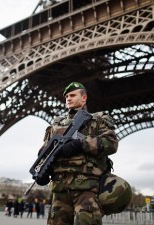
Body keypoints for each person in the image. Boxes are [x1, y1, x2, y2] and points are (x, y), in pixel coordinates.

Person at [36, 82, 118, 225]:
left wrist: (80, 144)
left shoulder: (98, 120)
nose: (68, 98)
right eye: (67, 96)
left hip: (86, 187)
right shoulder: (56, 124)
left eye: (73, 95)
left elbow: (111, 143)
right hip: (60, 188)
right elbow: (44, 150)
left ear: (84, 98)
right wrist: (43, 169)